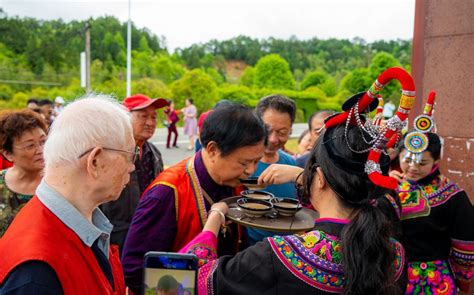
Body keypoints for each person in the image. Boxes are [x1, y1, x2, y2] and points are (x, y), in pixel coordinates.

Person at [179, 122, 407, 294]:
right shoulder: (394, 254)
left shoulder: (280, 255)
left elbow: (186, 280)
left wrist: (215, 219)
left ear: (319, 178)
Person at [122, 104, 267, 294]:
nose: (251, 171)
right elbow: (134, 270)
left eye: (256, 161)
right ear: (213, 149)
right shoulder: (167, 193)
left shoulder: (235, 181)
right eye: (244, 162)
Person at [0, 95, 134, 294]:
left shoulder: (77, 222)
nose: (131, 167)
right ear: (94, 161)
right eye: (130, 155)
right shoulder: (36, 273)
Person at [389, 95, 473, 294]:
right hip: (390, 277)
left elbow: (466, 245)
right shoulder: (390, 186)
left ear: (436, 161)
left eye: (422, 162)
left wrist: (463, 280)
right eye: (407, 159)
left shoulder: (452, 195)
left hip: (434, 280)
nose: (412, 167)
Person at [100, 94, 166, 253]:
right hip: (115, 237)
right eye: (143, 116)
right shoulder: (111, 153)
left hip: (148, 233)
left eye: (153, 117)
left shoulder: (154, 153)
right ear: (125, 117)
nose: (150, 123)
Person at [247, 94, 297, 244]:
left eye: (282, 133)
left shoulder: (291, 164)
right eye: (267, 130)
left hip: (286, 250)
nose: (273, 139)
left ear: (290, 131)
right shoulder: (242, 164)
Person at [0, 110, 47, 237]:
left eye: (43, 141)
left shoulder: (61, 183)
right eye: (30, 146)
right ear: (8, 154)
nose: (41, 150)